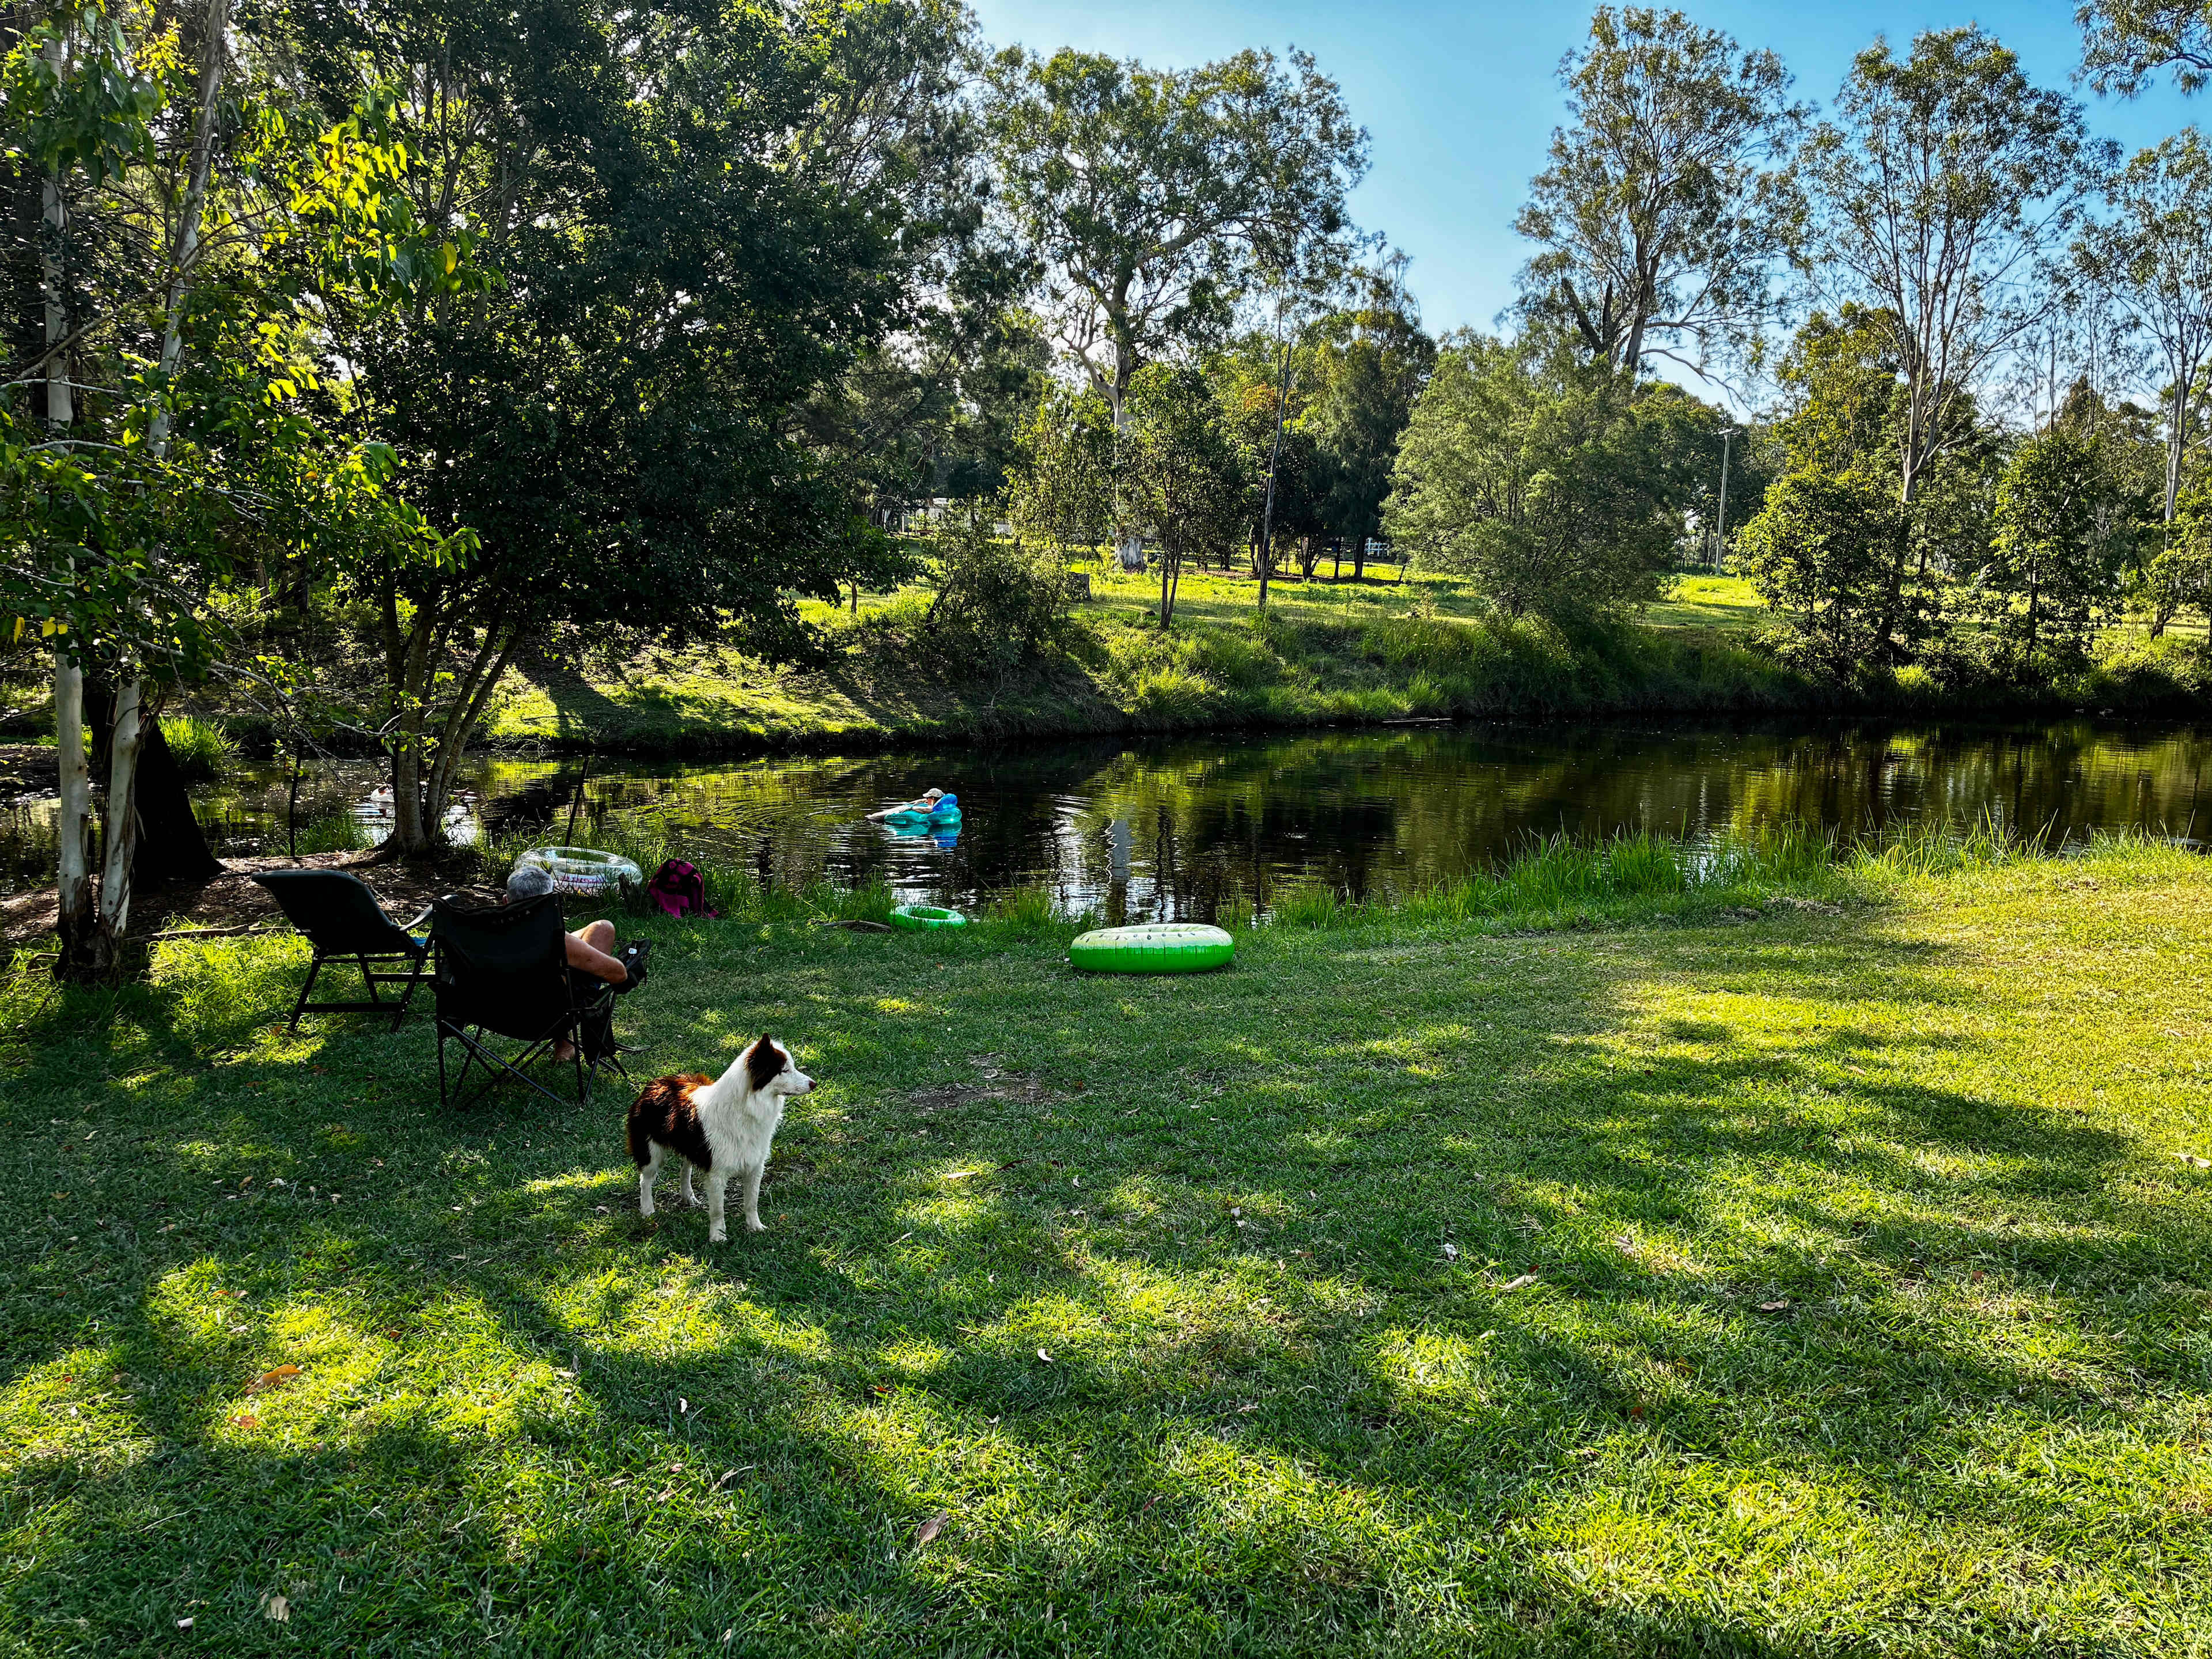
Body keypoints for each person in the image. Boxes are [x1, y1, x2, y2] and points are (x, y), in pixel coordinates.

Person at [505, 862, 626, 1060]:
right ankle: (565, 1042)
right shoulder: (553, 941)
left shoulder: (480, 936)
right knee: (602, 934)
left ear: (505, 901)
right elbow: (618, 974)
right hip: (548, 1017)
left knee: (601, 928)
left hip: (497, 1013)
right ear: (550, 904)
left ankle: (564, 1045)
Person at [867, 787, 947, 822]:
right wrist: (909, 804)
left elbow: (928, 810)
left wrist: (911, 808)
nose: (926, 800)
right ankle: (872, 817)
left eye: (928, 798)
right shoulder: (936, 802)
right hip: (910, 808)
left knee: (874, 818)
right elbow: (922, 800)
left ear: (933, 799)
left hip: (911, 815)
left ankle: (872, 818)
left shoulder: (935, 808)